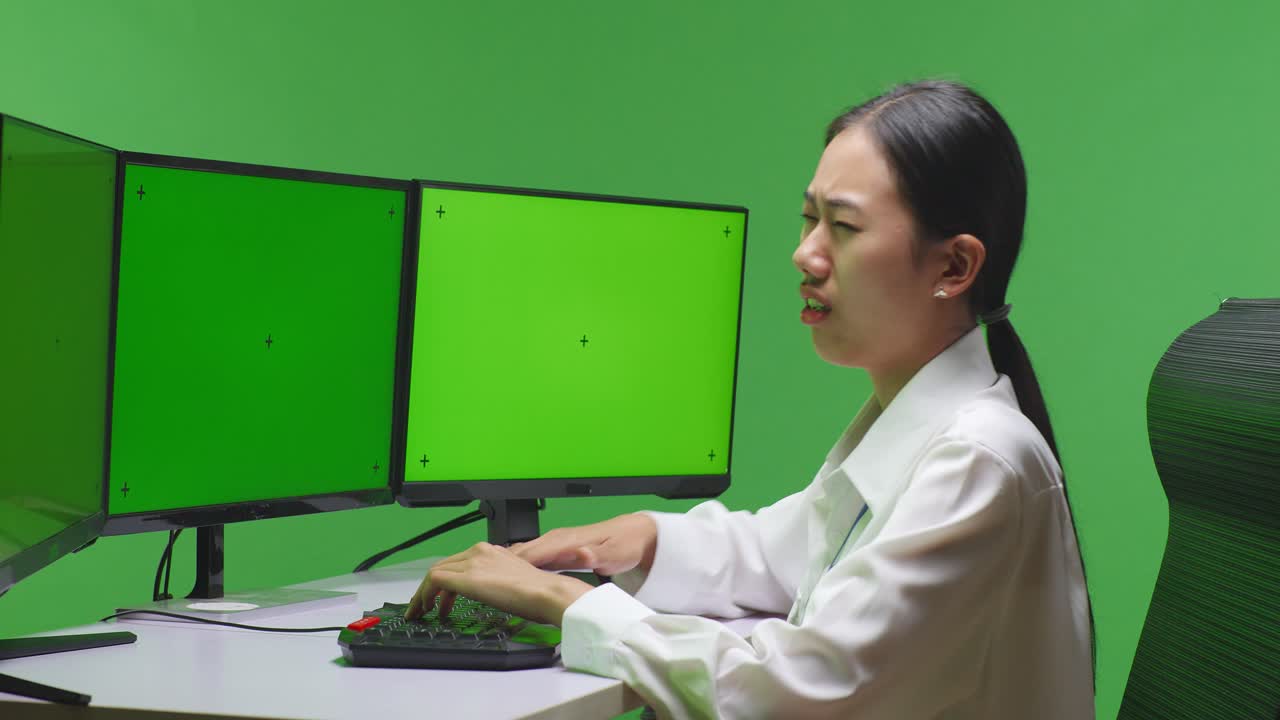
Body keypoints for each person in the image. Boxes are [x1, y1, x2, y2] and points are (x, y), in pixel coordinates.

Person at [405, 79, 1095, 719]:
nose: (805, 254)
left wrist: (566, 603)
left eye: (843, 227)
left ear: (953, 266)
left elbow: (801, 693)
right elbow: (785, 551)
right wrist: (642, 537)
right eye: (808, 219)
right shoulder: (921, 425)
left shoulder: (979, 459)